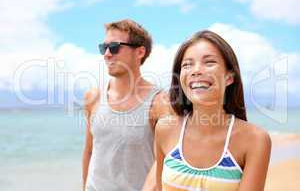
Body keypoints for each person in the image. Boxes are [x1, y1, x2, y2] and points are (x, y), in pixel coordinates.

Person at [155, 30, 272, 191]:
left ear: (229, 77)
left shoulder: (255, 140)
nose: (196, 70)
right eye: (187, 64)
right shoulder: (164, 129)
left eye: (209, 62)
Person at [82, 19, 172, 191]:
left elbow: (165, 161)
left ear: (140, 52)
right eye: (104, 47)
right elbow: (89, 151)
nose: (107, 54)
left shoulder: (160, 102)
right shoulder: (93, 97)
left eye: (114, 47)